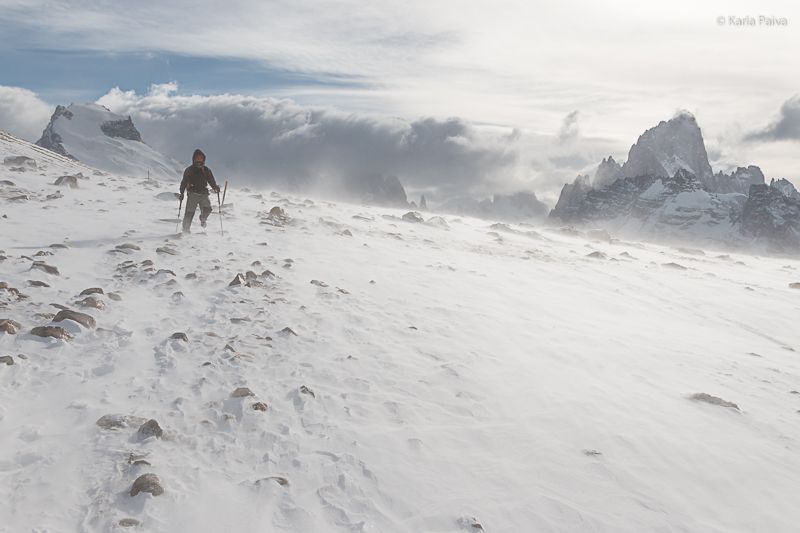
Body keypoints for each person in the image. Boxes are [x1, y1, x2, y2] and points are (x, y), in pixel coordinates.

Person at [179, 149, 220, 233]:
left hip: (203, 193)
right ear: (194, 159)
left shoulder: (206, 170)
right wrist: (182, 192)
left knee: (208, 209)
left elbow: (211, 180)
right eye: (197, 158)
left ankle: (203, 218)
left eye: (201, 158)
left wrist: (215, 187)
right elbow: (184, 182)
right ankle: (185, 230)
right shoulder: (189, 170)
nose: (199, 160)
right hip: (192, 193)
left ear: (203, 159)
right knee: (189, 213)